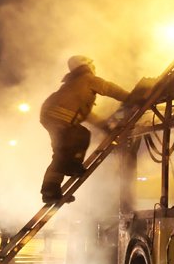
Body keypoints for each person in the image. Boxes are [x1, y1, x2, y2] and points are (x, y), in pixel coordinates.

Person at [39, 55, 130, 203]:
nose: (94, 68)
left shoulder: (74, 84)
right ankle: (74, 165)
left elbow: (84, 113)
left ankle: (50, 191)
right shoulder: (87, 78)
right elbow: (109, 88)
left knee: (61, 154)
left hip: (50, 115)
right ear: (86, 65)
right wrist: (130, 97)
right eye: (92, 65)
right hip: (59, 116)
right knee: (81, 135)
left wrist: (104, 126)